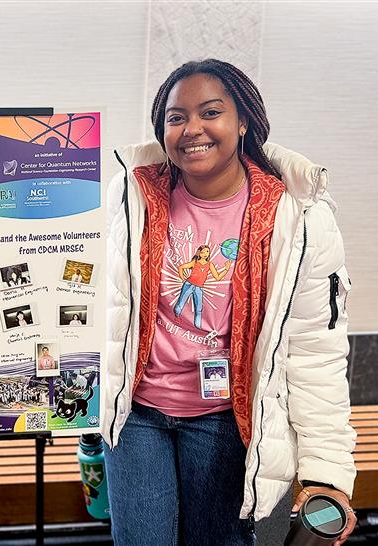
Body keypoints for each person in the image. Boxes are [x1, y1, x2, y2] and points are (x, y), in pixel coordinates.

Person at [102, 59, 355, 546]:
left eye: (210, 112)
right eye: (176, 118)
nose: (192, 129)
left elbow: (314, 351)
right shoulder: (131, 194)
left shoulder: (297, 219)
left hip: (225, 418)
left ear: (243, 122)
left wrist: (327, 471)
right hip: (136, 417)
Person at [175, 244, 232, 328]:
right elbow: (181, 267)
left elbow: (218, 277)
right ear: (199, 253)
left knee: (199, 309)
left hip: (199, 288)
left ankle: (197, 327)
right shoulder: (195, 262)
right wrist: (182, 278)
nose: (205, 253)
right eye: (203, 252)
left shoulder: (209, 265)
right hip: (188, 285)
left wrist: (226, 268)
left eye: (207, 251)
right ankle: (176, 317)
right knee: (181, 303)